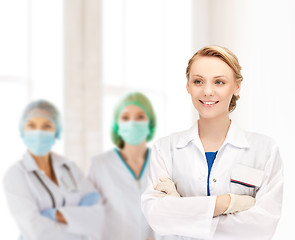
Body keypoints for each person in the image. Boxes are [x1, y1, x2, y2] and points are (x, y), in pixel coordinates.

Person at [141, 45, 283, 240]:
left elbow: (261, 226)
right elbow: (156, 216)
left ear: (236, 87)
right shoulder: (165, 149)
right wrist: (228, 203)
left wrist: (182, 209)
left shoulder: (264, 150)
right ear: (188, 86)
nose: (208, 91)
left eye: (219, 82)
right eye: (198, 81)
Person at [3, 100, 103, 240]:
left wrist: (53, 215)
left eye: (46, 126)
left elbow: (96, 217)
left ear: (56, 131)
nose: (38, 132)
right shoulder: (16, 174)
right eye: (31, 126)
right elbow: (35, 230)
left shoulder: (70, 168)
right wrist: (77, 221)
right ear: (22, 131)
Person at [88, 92, 156, 240]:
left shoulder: (161, 163)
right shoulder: (100, 165)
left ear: (150, 123)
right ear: (116, 125)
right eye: (125, 117)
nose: (132, 123)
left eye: (140, 117)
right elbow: (90, 220)